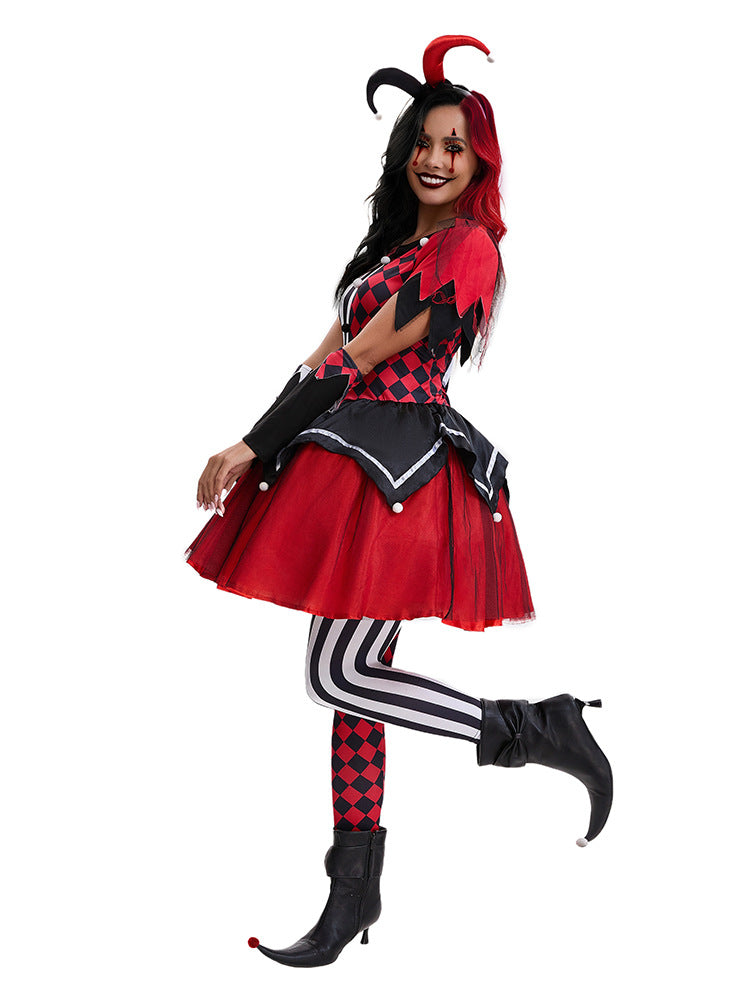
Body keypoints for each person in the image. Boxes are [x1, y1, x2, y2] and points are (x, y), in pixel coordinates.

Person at [185, 35, 613, 968]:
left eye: (456, 146)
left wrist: (253, 444)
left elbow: (360, 358)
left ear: (480, 163)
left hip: (402, 472)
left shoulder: (467, 249)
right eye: (424, 140)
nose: (435, 157)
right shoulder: (392, 248)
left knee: (338, 674)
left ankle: (532, 727)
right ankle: (352, 893)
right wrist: (261, 439)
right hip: (354, 457)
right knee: (355, 684)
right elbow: (320, 357)